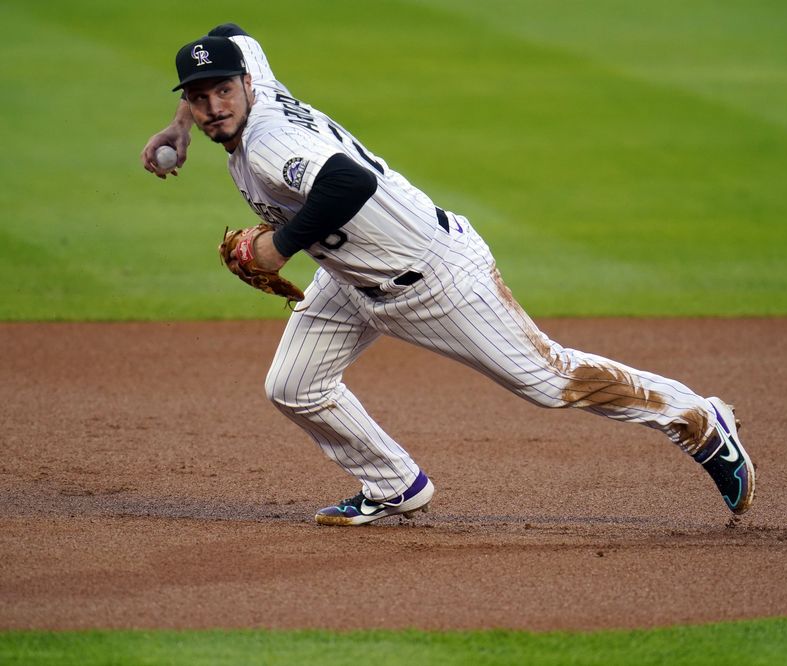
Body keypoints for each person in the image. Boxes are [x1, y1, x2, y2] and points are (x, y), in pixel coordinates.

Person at [141, 24, 755, 526]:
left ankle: (697, 419)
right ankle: (393, 486)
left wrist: (279, 247)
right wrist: (181, 125)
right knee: (294, 385)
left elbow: (348, 183)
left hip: (434, 275)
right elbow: (232, 34)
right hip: (353, 276)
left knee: (547, 379)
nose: (212, 106)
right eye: (199, 96)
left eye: (222, 92)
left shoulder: (270, 140)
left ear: (245, 85)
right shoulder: (255, 86)